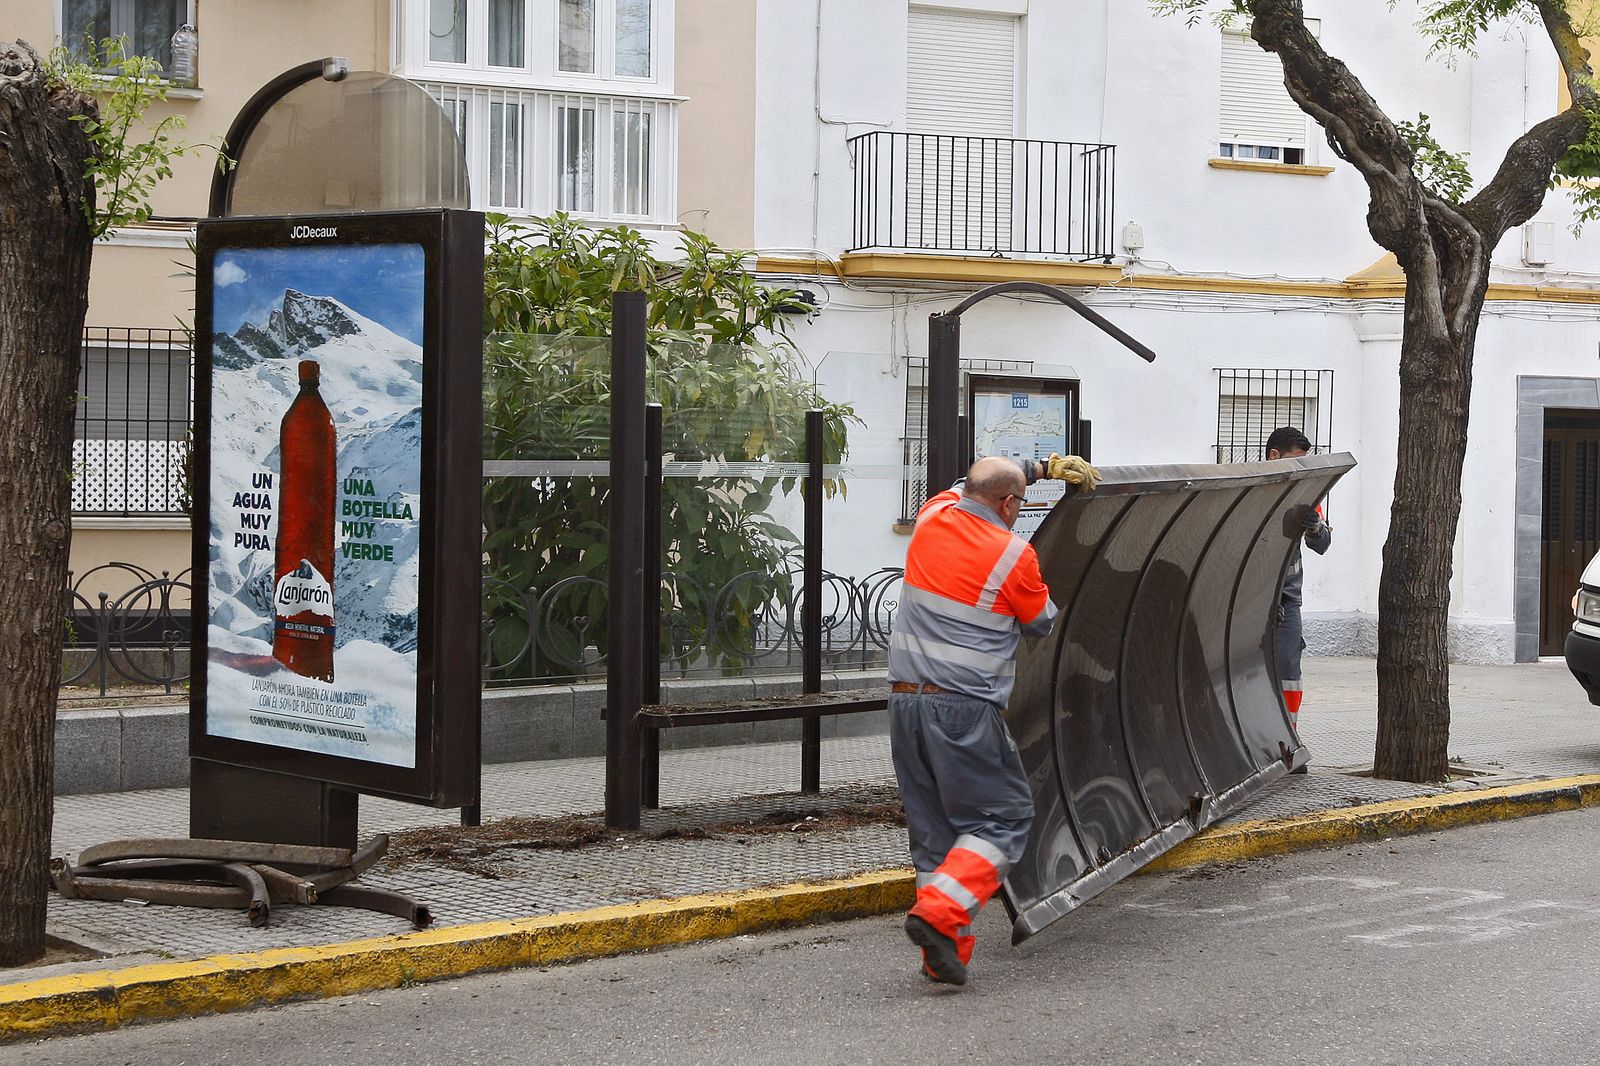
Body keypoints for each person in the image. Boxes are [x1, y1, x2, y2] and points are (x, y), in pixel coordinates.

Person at [889, 451, 1098, 987]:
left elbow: (971, 479)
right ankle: (941, 916)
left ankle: (943, 953)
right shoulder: (1013, 555)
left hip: (904, 704)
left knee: (935, 834)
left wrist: (1042, 467)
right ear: (1008, 504)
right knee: (1002, 819)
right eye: (1019, 504)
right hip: (962, 709)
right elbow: (1040, 622)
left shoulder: (934, 515)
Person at [1265, 426, 1332, 746]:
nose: (1301, 471)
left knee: (1289, 667)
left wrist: (1316, 527)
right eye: (1296, 462)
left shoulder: (1306, 496)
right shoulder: (1252, 492)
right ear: (1273, 456)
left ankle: (1288, 739)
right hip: (1251, 598)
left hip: (1287, 597)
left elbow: (1322, 544)